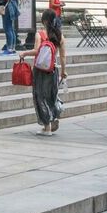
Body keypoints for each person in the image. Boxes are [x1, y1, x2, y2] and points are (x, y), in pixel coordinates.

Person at [18, 8, 67, 136]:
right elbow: (62, 56)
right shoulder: (60, 35)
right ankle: (54, 115)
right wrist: (63, 71)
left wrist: (24, 53)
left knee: (40, 96)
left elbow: (36, 51)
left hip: (40, 70)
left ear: (44, 20)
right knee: (51, 96)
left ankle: (47, 127)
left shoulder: (40, 34)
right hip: (53, 69)